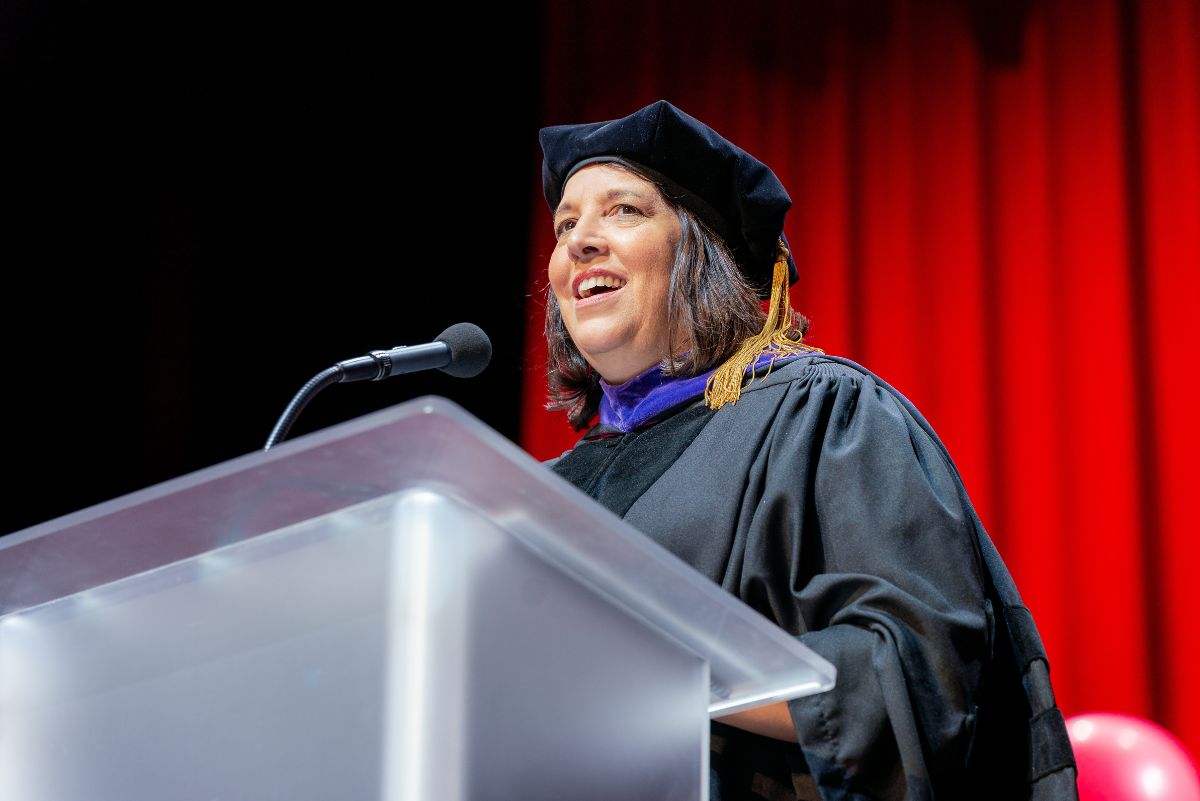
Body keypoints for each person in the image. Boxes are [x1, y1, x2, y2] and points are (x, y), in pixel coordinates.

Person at [536, 99, 1079, 801]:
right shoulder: (550, 493)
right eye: (565, 224)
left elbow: (914, 671)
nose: (580, 241)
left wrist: (665, 673)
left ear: (699, 249)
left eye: (624, 211)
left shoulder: (823, 414)